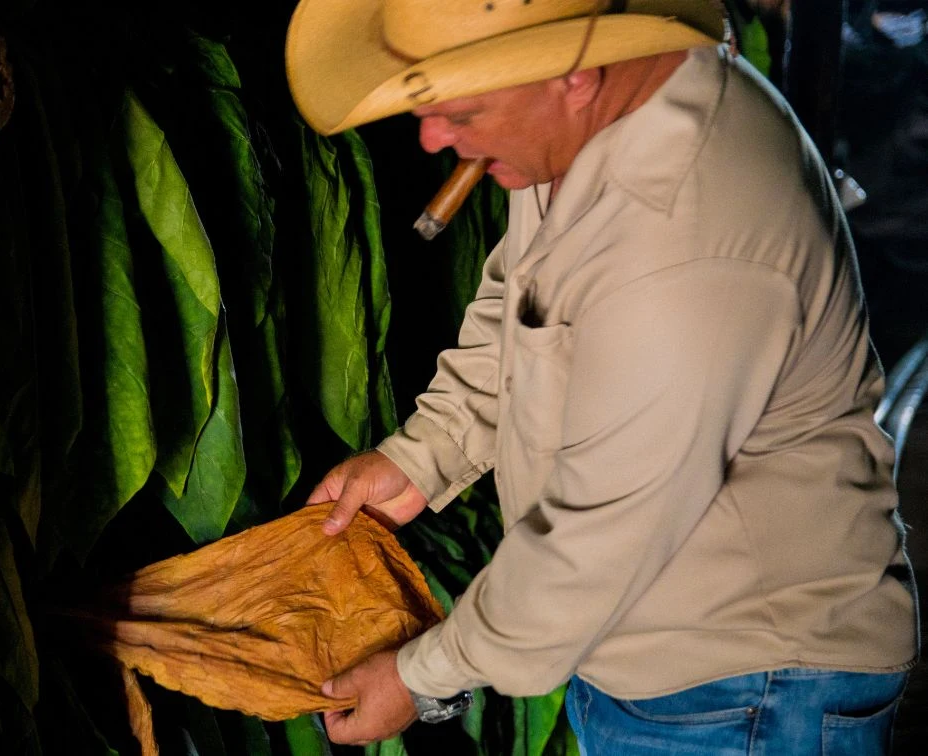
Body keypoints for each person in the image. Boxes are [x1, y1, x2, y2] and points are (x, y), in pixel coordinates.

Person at [284, 1, 919, 753]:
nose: (432, 137)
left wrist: (421, 677)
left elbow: (600, 534)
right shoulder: (589, 125)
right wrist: (421, 458)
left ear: (574, 76)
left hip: (747, 690)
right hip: (667, 667)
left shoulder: (686, 244)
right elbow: (522, 302)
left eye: (460, 110)